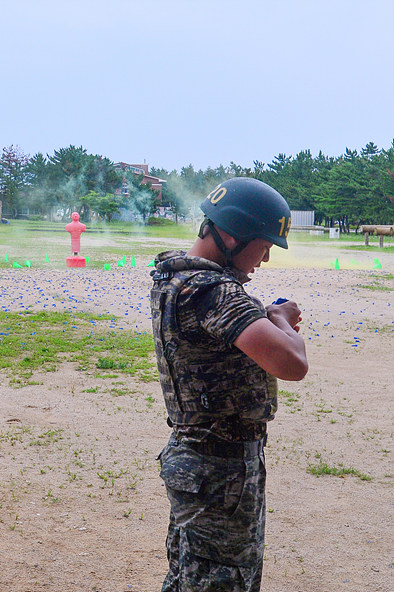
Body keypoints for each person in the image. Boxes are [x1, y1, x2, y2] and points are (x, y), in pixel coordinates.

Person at [150, 177, 308, 591]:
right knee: (223, 582)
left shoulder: (174, 278)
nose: (266, 258)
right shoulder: (214, 292)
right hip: (221, 473)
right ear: (234, 234)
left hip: (199, 463)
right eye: (265, 244)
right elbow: (292, 364)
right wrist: (279, 321)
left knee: (190, 576)